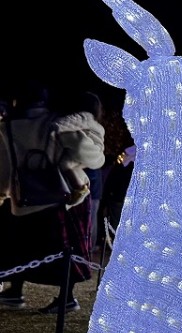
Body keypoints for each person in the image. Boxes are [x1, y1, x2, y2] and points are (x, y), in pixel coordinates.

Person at [0, 83, 105, 313]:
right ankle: (66, 297)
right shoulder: (57, 122)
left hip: (24, 198)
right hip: (63, 197)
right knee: (66, 250)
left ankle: (15, 291)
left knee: (22, 246)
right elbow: (86, 154)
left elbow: (5, 168)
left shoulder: (8, 127)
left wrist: (3, 193)